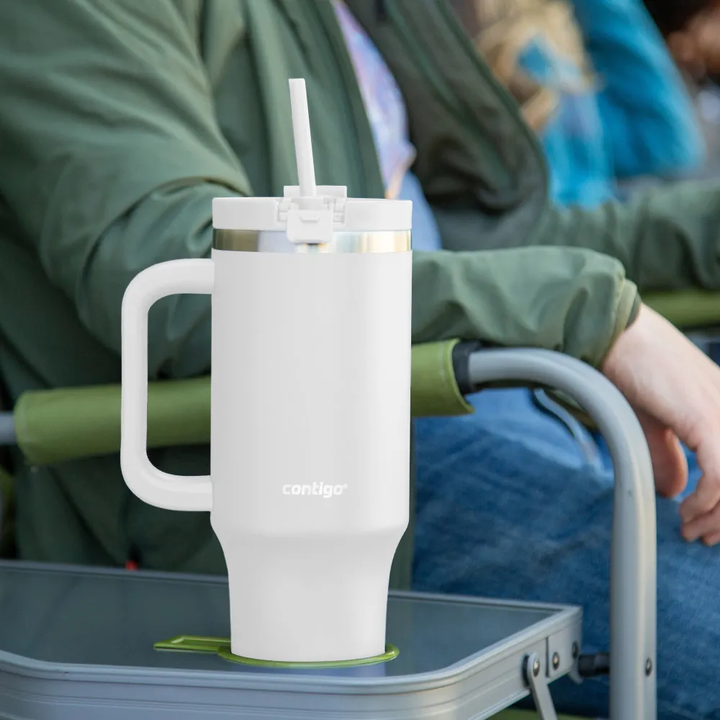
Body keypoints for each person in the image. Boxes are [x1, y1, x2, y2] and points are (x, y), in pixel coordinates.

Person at [1, 2, 720, 717]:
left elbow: (480, 241)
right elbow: (188, 285)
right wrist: (591, 311)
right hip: (332, 472)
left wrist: (623, 288)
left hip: (515, 390)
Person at [463, 0, 704, 207]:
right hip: (570, 239)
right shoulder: (511, 43)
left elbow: (662, 142)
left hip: (592, 233)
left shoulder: (555, 31)